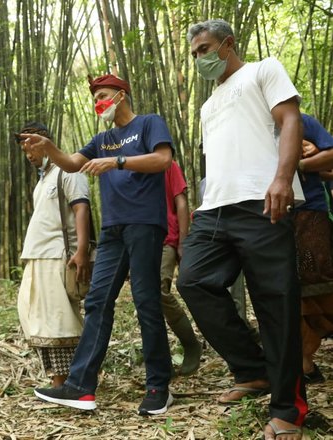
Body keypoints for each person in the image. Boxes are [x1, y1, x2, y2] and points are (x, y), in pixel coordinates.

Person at [178, 19, 307, 440]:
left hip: (262, 200)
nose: (201, 58)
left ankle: (288, 410)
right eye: (195, 52)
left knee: (275, 303)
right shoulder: (207, 105)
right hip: (214, 208)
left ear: (228, 44)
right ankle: (253, 370)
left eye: (205, 48)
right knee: (193, 281)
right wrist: (202, 203)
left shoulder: (263, 69)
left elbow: (290, 120)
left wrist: (283, 178)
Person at [22, 74, 175, 415]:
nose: (99, 103)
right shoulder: (102, 138)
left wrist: (117, 161)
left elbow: (163, 160)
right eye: (95, 98)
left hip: (145, 224)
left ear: (122, 94)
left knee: (146, 301)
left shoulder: (149, 124)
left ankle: (158, 386)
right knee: (97, 301)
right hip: (112, 230)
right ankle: (81, 386)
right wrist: (48, 149)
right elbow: (72, 163)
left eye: (104, 95)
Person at [16, 122, 91, 389]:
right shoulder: (43, 179)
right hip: (37, 255)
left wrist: (81, 251)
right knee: (34, 316)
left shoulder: (69, 170)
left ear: (43, 141)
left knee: (59, 322)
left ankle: (68, 381)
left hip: (57, 254)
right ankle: (60, 378)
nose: (29, 156)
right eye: (25, 152)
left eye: (31, 148)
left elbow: (81, 209)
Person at [294, 114, 333, 384]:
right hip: (269, 219)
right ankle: (304, 361)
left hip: (309, 215)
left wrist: (297, 164)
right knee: (289, 288)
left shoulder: (300, 121)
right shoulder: (246, 125)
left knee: (315, 281)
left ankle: (306, 358)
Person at [160, 161, 202, 376]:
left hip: (166, 237)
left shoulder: (167, 164)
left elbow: (181, 202)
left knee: (160, 291)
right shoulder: (128, 164)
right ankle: (160, 359)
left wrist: (183, 241)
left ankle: (191, 344)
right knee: (147, 300)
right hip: (141, 240)